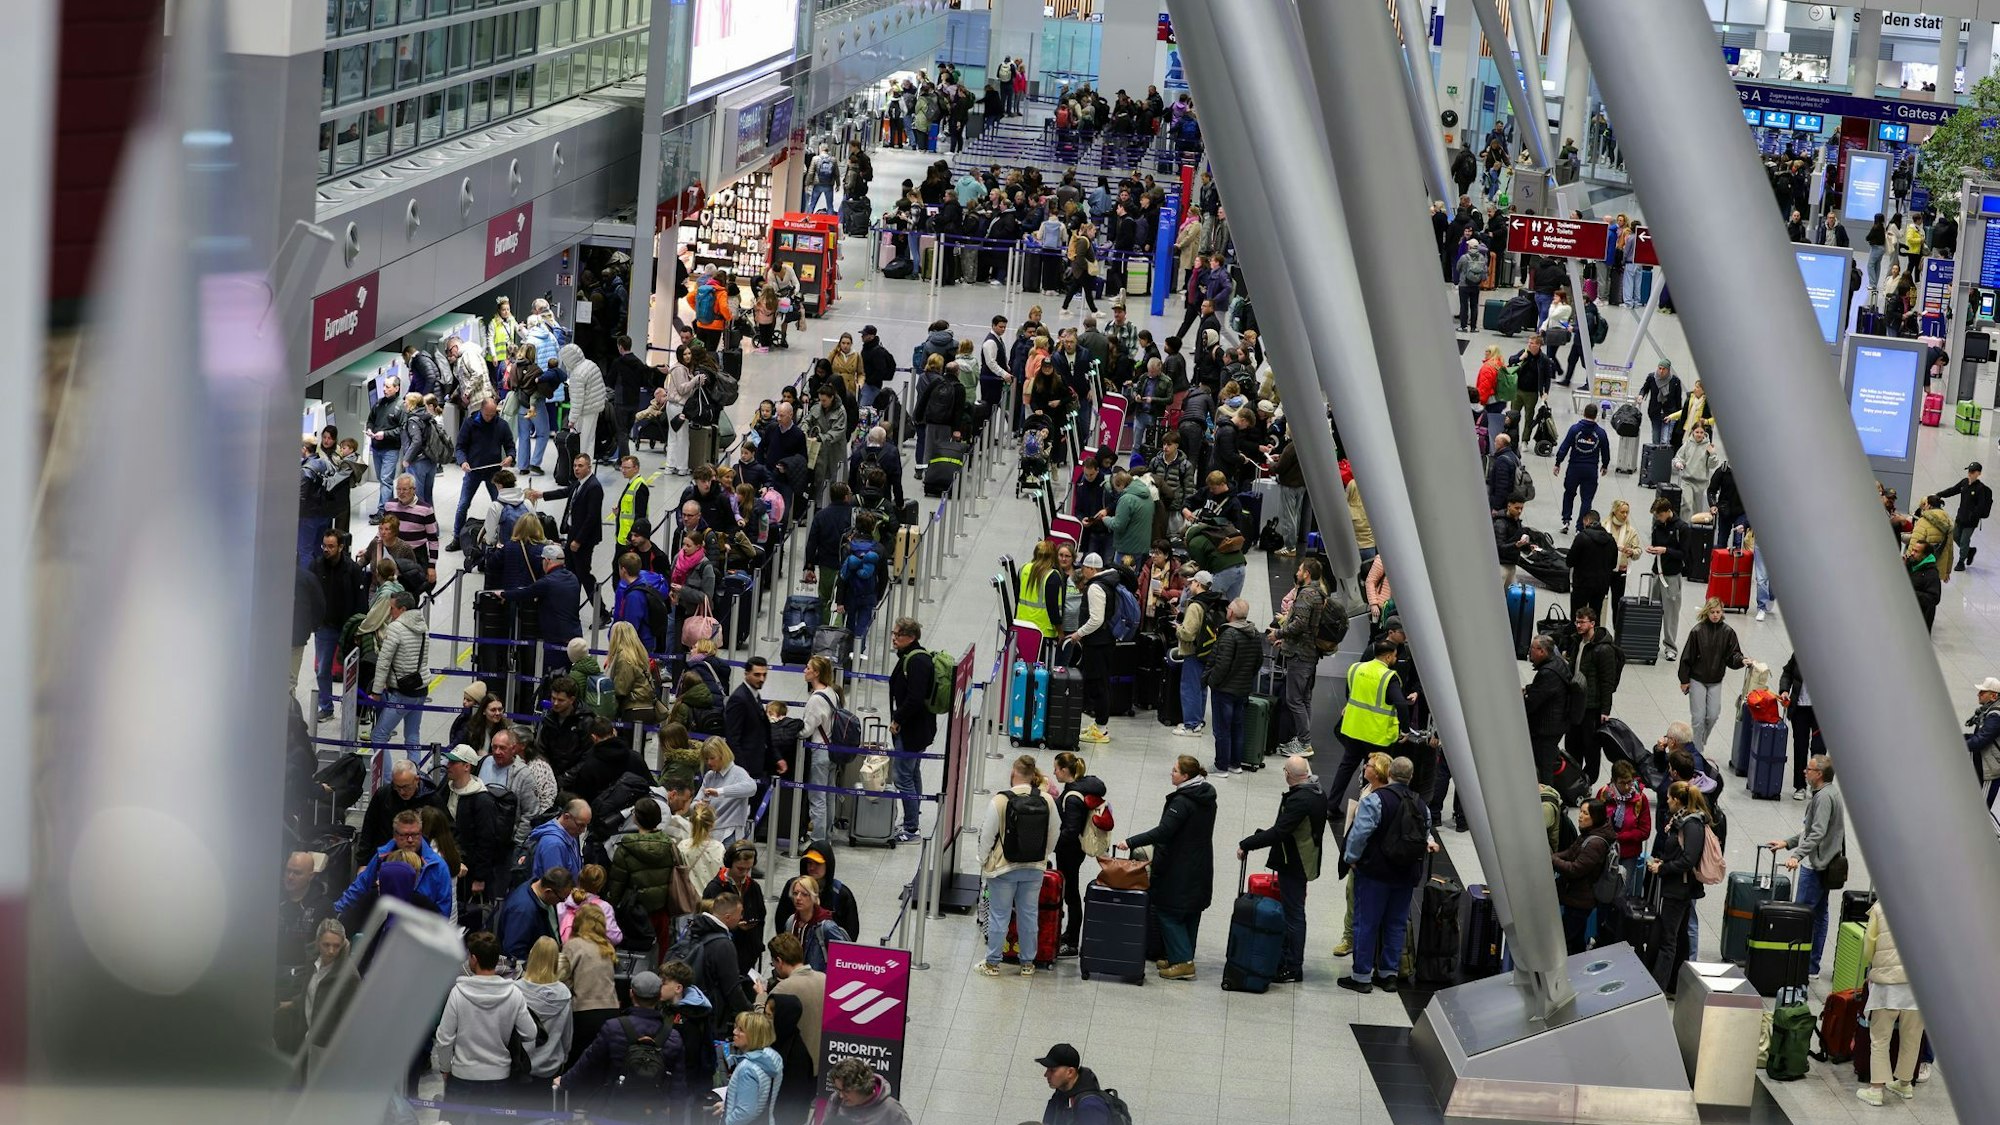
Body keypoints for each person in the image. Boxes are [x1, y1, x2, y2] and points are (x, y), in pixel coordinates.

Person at [1338, 755, 1434, 992]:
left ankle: (1361, 977)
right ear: (1411, 777)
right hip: (1406, 874)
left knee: (1366, 923)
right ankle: (1388, 974)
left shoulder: (1376, 800)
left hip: (1375, 873)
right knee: (1396, 924)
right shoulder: (1421, 805)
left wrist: (1351, 858)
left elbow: (1360, 834)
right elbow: (1424, 835)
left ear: (1389, 773)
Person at [1118, 755, 1218, 982]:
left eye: (1175, 770)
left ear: (1185, 776)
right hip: (1201, 863)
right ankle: (1181, 956)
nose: (1171, 773)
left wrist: (1131, 841)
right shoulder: (1207, 796)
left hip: (1180, 865)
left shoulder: (1182, 802)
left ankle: (1183, 962)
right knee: (1191, 911)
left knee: (1168, 911)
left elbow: (1163, 832)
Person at [1238, 755, 1328, 985]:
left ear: (1288, 775)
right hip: (1304, 858)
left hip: (1295, 862)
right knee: (1293, 912)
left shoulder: (1300, 800)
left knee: (1294, 914)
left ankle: (1293, 966)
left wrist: (1248, 843)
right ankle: (1288, 958)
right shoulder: (1317, 792)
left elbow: (1280, 832)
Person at [432, 931, 540, 1111]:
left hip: (462, 1075)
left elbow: (444, 1038)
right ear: (497, 959)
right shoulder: (514, 994)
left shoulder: (458, 993)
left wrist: (445, 1068)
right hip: (499, 1076)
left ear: (474, 959)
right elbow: (530, 1033)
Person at [553, 967, 684, 1109]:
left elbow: (589, 1060)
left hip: (616, 1105)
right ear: (659, 996)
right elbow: (678, 1083)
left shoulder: (614, 1027)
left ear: (631, 993)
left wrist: (565, 1081)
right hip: (654, 1110)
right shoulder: (673, 1036)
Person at [978, 755, 1060, 978]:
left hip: (1004, 867)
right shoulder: (1047, 800)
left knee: (999, 915)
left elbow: (987, 836)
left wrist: (983, 859)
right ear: (1034, 776)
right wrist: (1043, 855)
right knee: (1029, 914)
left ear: (1013, 773)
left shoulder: (1000, 800)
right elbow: (1054, 832)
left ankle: (993, 963)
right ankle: (1027, 963)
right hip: (1034, 867)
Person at [1766, 755, 1846, 980]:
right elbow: (1810, 831)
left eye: (1809, 769)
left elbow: (1817, 833)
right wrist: (1787, 843)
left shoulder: (1823, 798)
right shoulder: (1830, 793)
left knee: (1801, 916)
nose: (1804, 771)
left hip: (1814, 866)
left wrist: (1797, 856)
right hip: (1825, 863)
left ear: (1819, 774)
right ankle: (1811, 966)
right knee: (1819, 915)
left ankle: (1799, 965)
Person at [1329, 640, 1416, 819]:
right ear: (1388, 656)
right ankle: (1369, 810)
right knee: (1377, 773)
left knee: (1346, 767)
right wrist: (1405, 729)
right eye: (1395, 656)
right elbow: (1400, 703)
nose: (1396, 658)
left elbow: (1349, 693)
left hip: (1353, 728)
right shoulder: (1388, 677)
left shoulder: (1356, 668)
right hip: (1377, 734)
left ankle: (1332, 805)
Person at [1646, 781, 1713, 994]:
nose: (1666, 801)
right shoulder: (1682, 820)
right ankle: (1675, 985)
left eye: (1669, 798)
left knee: (1668, 940)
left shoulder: (1692, 824)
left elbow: (1688, 860)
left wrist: (1663, 867)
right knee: (1680, 937)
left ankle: (1658, 988)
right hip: (1677, 885)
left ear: (1677, 800)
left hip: (1679, 889)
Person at [1856, 900, 1924, 1106]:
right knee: (1912, 1037)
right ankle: (1905, 1084)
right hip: (1918, 984)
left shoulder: (1880, 908)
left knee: (1880, 1037)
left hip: (1887, 984)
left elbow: (1869, 948)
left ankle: (1876, 1090)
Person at [887, 618, 940, 844]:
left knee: (903, 777)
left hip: (912, 730)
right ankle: (913, 817)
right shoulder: (912, 656)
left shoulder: (917, 661)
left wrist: (898, 719)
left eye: (897, 635)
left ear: (911, 637)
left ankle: (911, 828)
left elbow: (915, 698)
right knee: (913, 772)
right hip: (918, 728)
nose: (894, 638)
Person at [1270, 558, 1328, 757]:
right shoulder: (1319, 593)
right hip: (1310, 653)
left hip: (1300, 654)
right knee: (1304, 699)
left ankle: (1304, 742)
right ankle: (1303, 739)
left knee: (1294, 700)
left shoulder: (1306, 594)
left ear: (1307, 574)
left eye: (1300, 570)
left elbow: (1300, 624)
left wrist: (1279, 633)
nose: (1297, 572)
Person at [1061, 553, 1120, 746]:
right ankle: (1099, 724)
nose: (1082, 571)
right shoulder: (1107, 583)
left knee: (1098, 685)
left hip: (1097, 644)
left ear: (1091, 569)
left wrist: (1079, 633)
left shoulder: (1095, 587)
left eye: (1084, 567)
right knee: (1100, 683)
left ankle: (1101, 729)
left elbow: (1096, 619)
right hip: (1103, 642)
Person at [1677, 598, 1746, 751]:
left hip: (1716, 680)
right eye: (1712, 612)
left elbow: (1733, 655)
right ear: (1707, 612)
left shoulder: (1728, 633)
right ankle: (1697, 751)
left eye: (1718, 612)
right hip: (1697, 679)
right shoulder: (1697, 632)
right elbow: (1687, 657)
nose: (1715, 615)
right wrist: (1684, 680)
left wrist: (1741, 660)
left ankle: (1700, 740)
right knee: (1698, 718)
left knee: (1713, 715)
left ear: (1722, 613)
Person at [1204, 597, 1261, 775]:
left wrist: (1212, 681)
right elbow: (1258, 661)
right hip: (1242, 689)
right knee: (1237, 728)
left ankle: (1221, 766)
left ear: (1232, 613)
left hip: (1225, 690)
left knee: (1222, 729)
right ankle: (1235, 764)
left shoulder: (1229, 634)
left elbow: (1222, 665)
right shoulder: (1254, 633)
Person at [1552, 798, 1616, 954]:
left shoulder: (1595, 843)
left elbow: (1575, 869)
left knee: (1566, 939)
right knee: (1576, 939)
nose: (1580, 816)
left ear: (1596, 817)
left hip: (1580, 900)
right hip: (1575, 897)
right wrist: (1554, 857)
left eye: (1585, 813)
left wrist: (1551, 860)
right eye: (1580, 811)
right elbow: (1570, 853)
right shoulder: (1588, 833)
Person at [514, 937, 577, 1083]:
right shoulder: (564, 994)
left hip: (521, 1066)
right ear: (555, 960)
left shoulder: (515, 990)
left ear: (531, 956)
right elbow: (567, 1035)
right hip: (551, 1066)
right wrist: (564, 1058)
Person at [1570, 605, 1620, 781]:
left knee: (1590, 746)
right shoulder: (1577, 642)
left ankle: (1589, 779)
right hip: (1576, 703)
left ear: (1592, 623)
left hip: (1592, 705)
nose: (1578, 625)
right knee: (1573, 743)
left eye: (1582, 622)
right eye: (1577, 622)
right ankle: (1574, 778)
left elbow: (1607, 682)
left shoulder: (1603, 649)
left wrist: (1605, 710)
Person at [1522, 634, 1574, 785]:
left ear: (1542, 651)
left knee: (1544, 765)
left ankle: (1547, 795)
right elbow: (1547, 689)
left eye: (1532, 648)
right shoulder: (1558, 662)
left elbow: (1532, 703)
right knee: (1546, 762)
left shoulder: (1547, 673)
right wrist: (1529, 689)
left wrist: (1523, 699)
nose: (1529, 651)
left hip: (1547, 729)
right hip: (1557, 723)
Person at [1597, 761, 1653, 897]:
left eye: (1630, 782)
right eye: (1622, 783)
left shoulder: (1640, 799)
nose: (1627, 787)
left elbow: (1645, 831)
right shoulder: (1604, 794)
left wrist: (1619, 837)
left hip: (1629, 854)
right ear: (1613, 781)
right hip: (1605, 851)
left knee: (1622, 893)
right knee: (1602, 890)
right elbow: (1595, 822)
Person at [1554, 403, 1611, 535]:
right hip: (1591, 470)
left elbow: (1564, 446)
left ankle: (1566, 520)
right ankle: (1580, 527)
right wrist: (1605, 465)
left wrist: (1558, 462)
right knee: (1587, 499)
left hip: (1574, 468)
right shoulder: (1601, 433)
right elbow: (1606, 451)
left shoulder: (1574, 430)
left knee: (1569, 493)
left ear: (1584, 413)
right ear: (1596, 415)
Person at [496, 865, 574, 961]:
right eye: (562, 899)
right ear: (548, 892)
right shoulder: (522, 911)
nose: (562, 902)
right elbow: (514, 953)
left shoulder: (543, 894)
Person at [1646, 496, 1691, 659]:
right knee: (1652, 610)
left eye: (1660, 515)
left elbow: (1684, 554)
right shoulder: (1658, 525)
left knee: (1671, 613)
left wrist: (1666, 550)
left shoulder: (1682, 528)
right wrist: (1652, 549)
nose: (1658, 518)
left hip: (1672, 576)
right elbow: (1655, 543)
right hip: (1656, 573)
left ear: (1667, 511)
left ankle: (1670, 647)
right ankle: (1649, 642)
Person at [718, 1011, 783, 1125]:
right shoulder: (773, 1058)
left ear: (754, 1035)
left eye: (740, 1030)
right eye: (735, 1027)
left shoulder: (747, 1069)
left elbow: (745, 1112)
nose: (734, 1032)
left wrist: (727, 1122)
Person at [1037, 1042, 1122, 1125]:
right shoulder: (1061, 1094)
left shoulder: (1090, 1106)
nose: (1046, 1074)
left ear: (1070, 1072)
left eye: (1052, 1070)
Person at [818, 1056, 914, 1124]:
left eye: (846, 1091)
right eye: (839, 1090)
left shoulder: (892, 1110)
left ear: (862, 1086)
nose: (841, 1096)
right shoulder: (836, 1100)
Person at [1937, 460, 1992, 570]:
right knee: (1955, 536)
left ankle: (1961, 562)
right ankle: (1969, 551)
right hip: (1960, 517)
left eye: (1972, 472)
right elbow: (1952, 490)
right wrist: (1939, 495)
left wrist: (1973, 515)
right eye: (1969, 471)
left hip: (1971, 521)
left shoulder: (1980, 488)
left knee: (1964, 540)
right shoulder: (1964, 483)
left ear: (1979, 473)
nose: (1970, 474)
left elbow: (1981, 506)